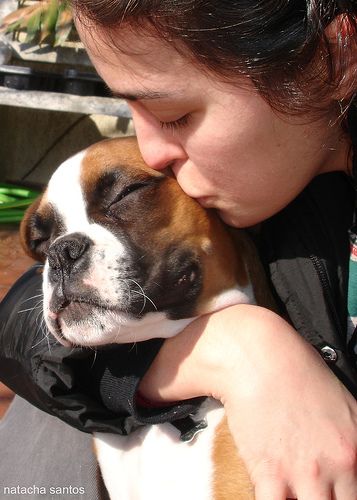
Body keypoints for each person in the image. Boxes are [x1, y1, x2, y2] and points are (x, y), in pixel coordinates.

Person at [1, 1, 357, 499]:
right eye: (130, 110)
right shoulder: (255, 189)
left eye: (175, 115)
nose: (150, 153)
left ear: (333, 59)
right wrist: (236, 347)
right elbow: (15, 329)